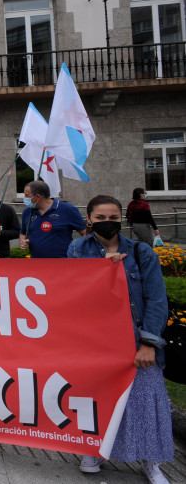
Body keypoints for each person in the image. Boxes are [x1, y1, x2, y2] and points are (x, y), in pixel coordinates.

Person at [68, 195, 173, 483]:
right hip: (97, 342)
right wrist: (101, 272)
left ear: (122, 219)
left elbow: (156, 300)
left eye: (113, 218)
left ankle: (150, 462)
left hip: (136, 338)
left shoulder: (142, 252)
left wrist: (149, 343)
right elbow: (72, 293)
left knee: (144, 401)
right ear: (89, 219)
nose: (107, 223)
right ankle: (94, 448)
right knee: (97, 397)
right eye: (100, 218)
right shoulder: (77, 249)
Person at [19, 180, 86, 258]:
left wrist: (80, 252)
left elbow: (85, 233)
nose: (24, 198)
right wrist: (22, 241)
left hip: (63, 263)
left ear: (37, 196)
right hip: (36, 263)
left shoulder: (68, 209)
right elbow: (23, 233)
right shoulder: (27, 212)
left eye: (27, 195)